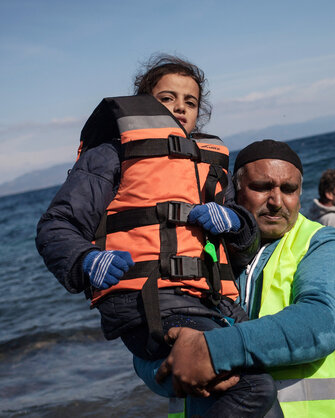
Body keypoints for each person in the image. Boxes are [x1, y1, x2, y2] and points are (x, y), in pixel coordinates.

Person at [35, 55, 276, 417]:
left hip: (212, 304)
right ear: (146, 103)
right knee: (250, 387)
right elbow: (56, 225)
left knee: (263, 398)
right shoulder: (112, 155)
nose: (180, 107)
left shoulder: (208, 165)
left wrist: (236, 222)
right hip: (147, 305)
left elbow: (241, 251)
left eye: (190, 101)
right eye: (168, 98)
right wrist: (86, 260)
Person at [142, 139, 335, 417]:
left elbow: (320, 323)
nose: (276, 201)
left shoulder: (322, 242)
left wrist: (211, 351)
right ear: (234, 190)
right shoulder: (201, 248)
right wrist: (173, 371)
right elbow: (146, 346)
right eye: (262, 187)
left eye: (289, 189)